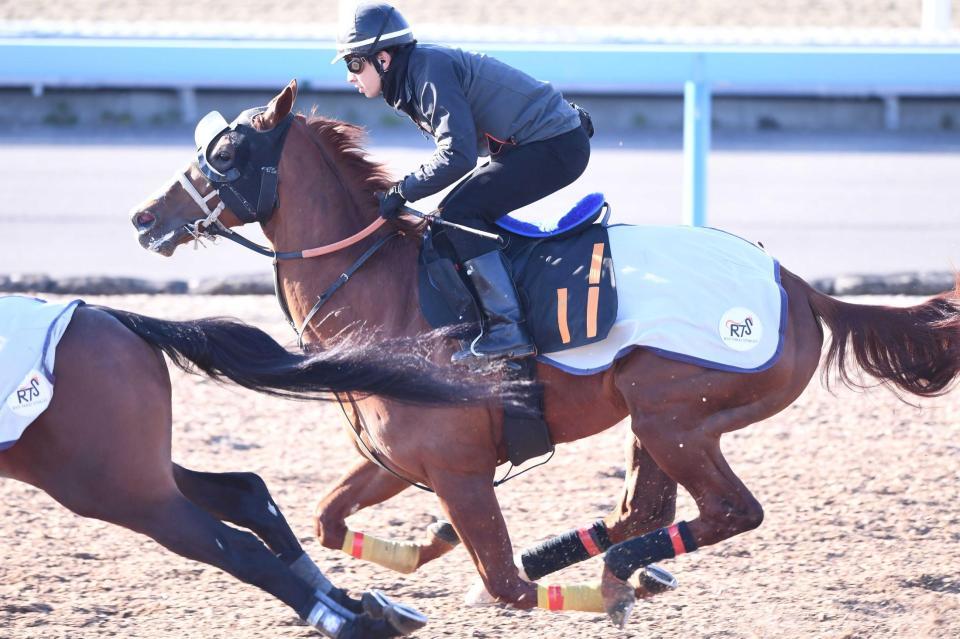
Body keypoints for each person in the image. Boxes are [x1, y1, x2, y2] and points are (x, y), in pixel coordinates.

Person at [333, 2, 592, 361]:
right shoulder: (414, 73)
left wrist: (403, 190)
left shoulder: (426, 71)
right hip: (544, 141)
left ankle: (507, 329)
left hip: (553, 146)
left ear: (384, 58)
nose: (350, 76)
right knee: (448, 217)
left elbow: (458, 155)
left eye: (353, 63)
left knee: (457, 214)